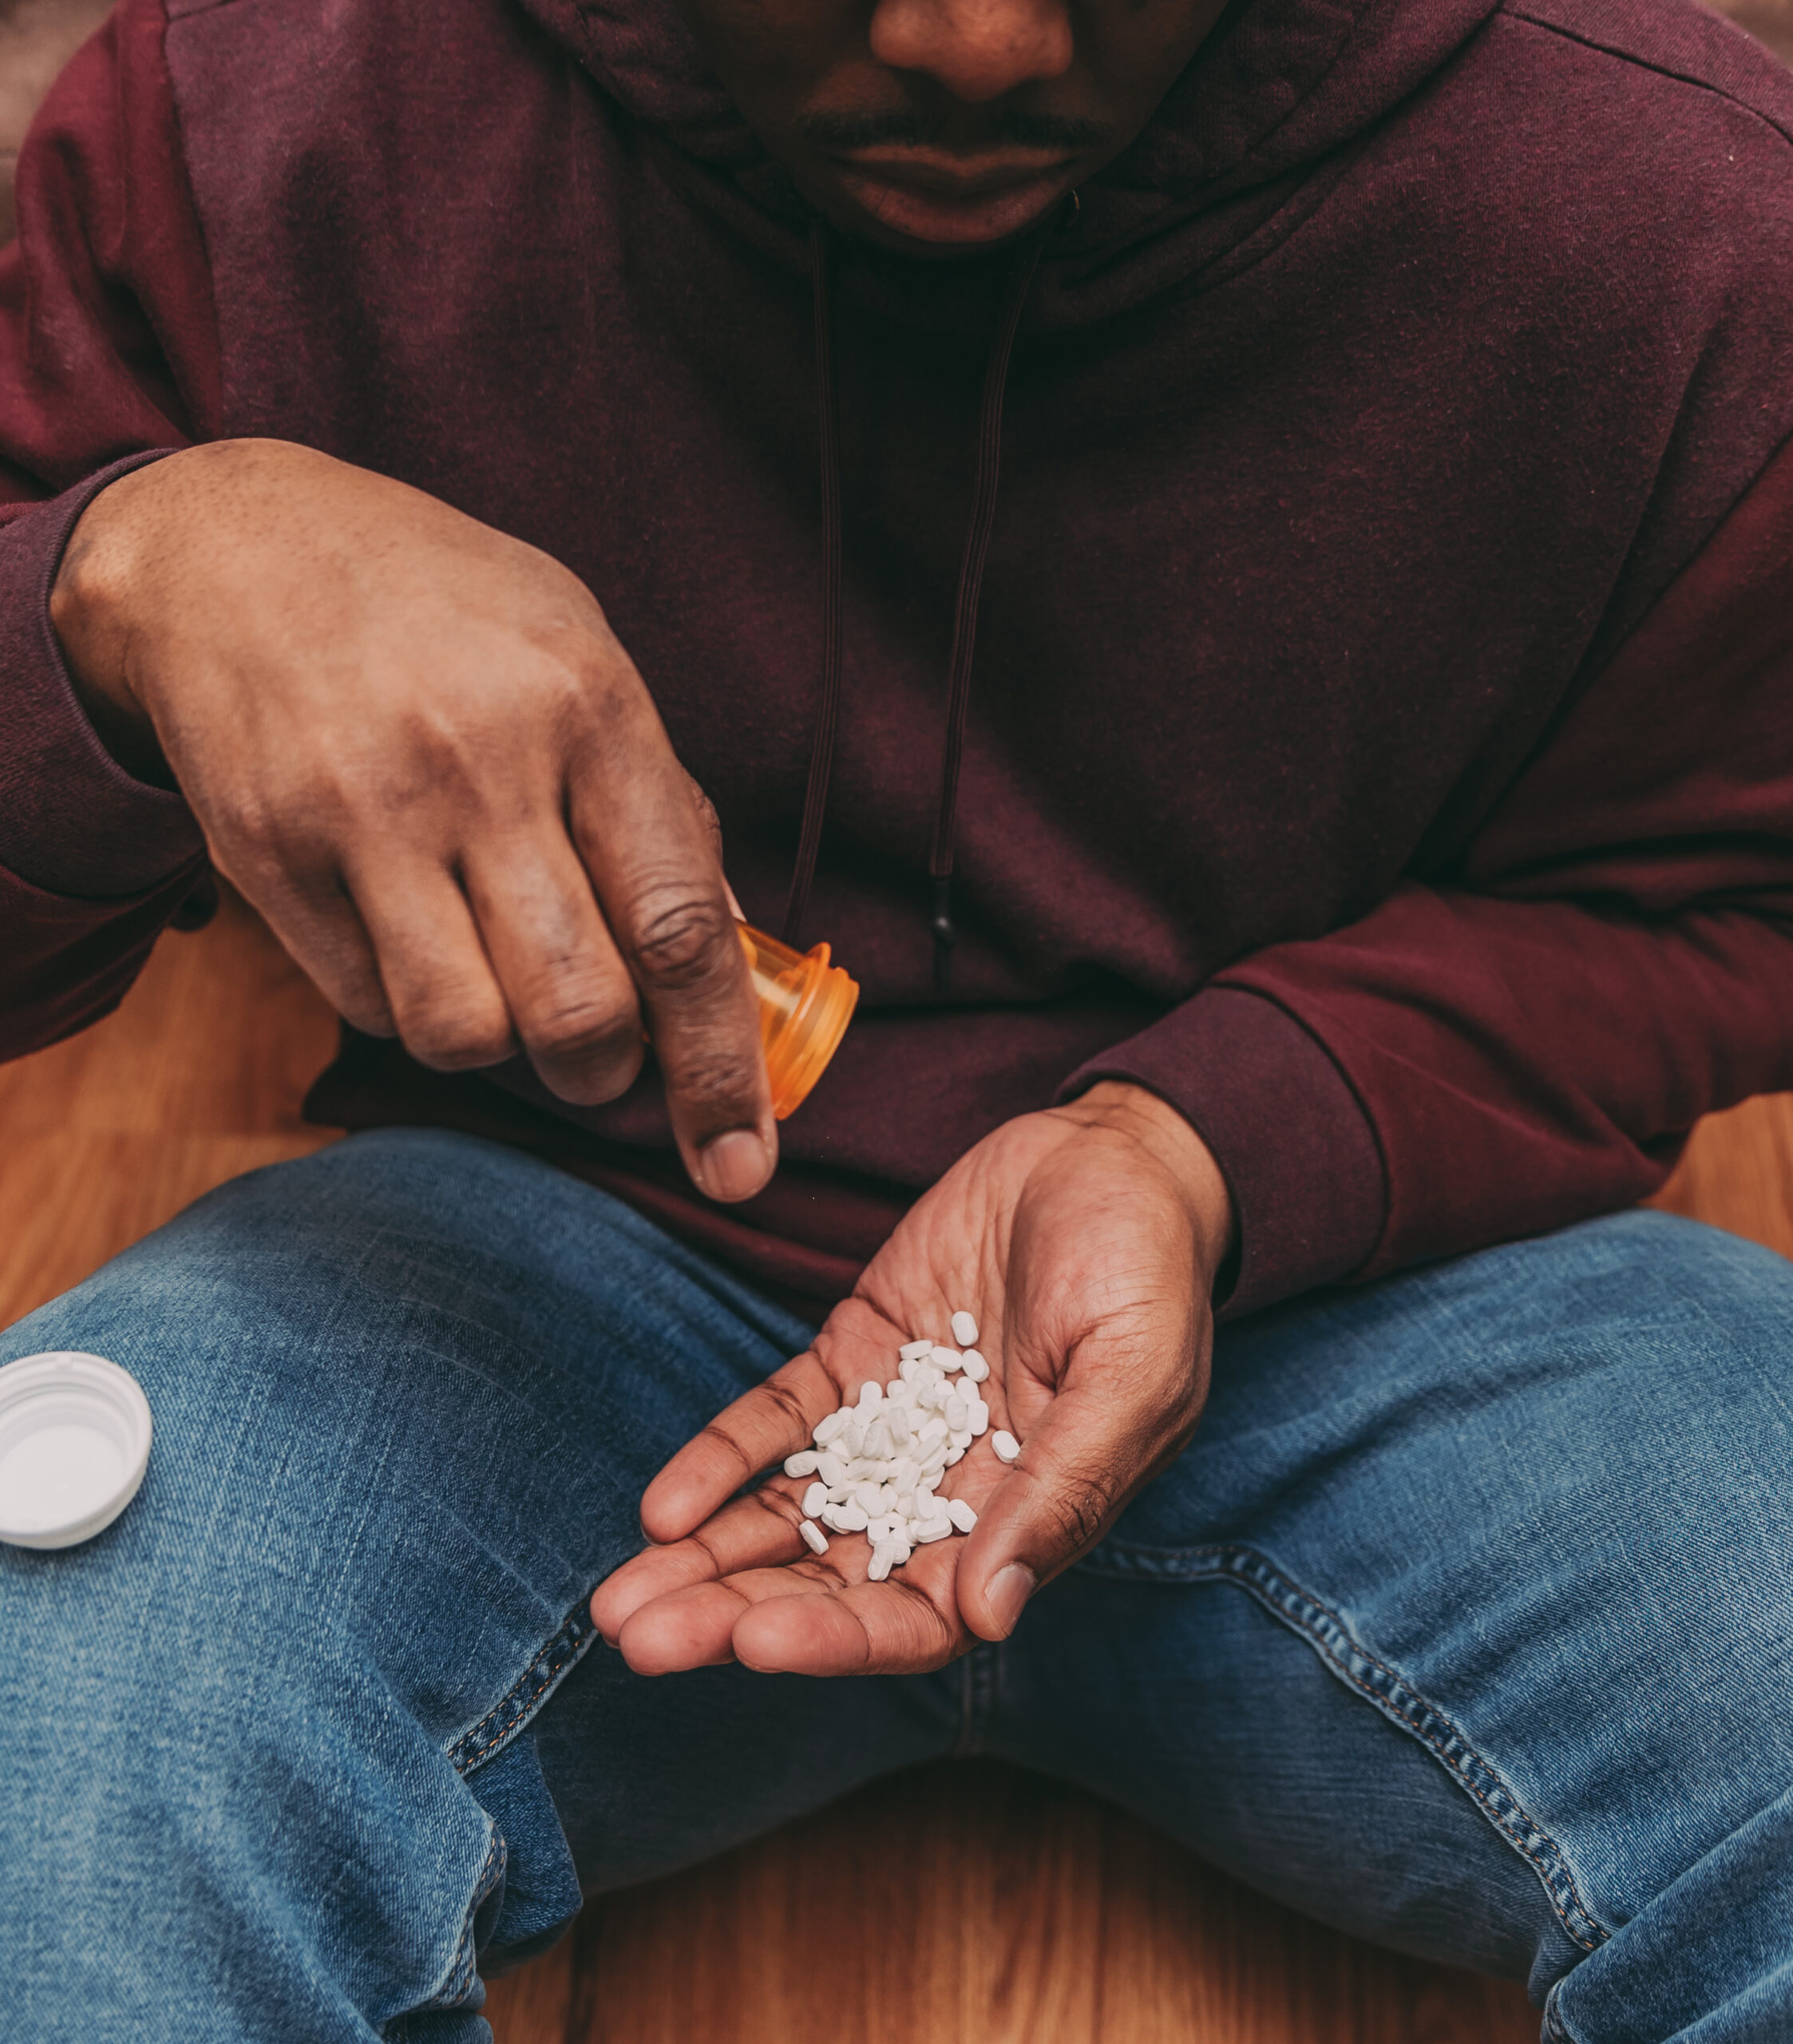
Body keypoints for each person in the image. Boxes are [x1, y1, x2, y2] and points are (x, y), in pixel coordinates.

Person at [4, 0, 1793, 2034]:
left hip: (1386, 1295)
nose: (971, 44)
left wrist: (1208, 1145)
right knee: (48, 1722)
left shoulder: (1688, 213)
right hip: (511, 1280)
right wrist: (124, 582)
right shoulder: (250, 116)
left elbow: (1716, 891)